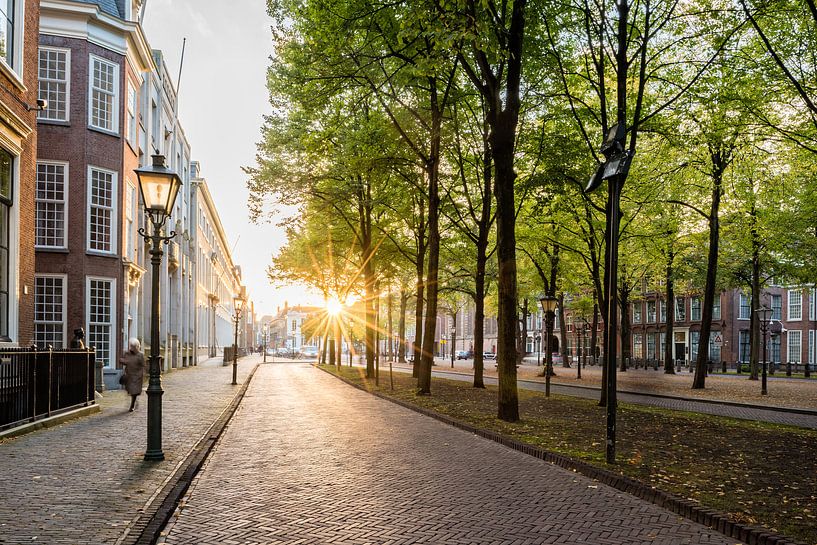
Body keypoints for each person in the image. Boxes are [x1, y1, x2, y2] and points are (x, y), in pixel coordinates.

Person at [120, 338, 145, 412]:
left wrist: (143, 373)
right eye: (131, 346)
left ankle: (132, 405)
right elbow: (123, 361)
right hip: (129, 375)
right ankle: (134, 401)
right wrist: (123, 361)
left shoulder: (140, 355)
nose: (132, 348)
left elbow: (143, 365)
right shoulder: (127, 353)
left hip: (137, 376)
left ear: (137, 346)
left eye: (133, 346)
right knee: (130, 390)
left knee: (134, 391)